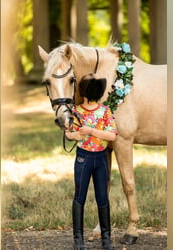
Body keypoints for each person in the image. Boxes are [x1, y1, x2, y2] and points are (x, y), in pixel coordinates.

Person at [65, 73, 117, 250]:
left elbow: (112, 135)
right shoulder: (76, 112)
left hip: (100, 158)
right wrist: (75, 134)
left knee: (102, 197)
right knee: (80, 196)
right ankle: (78, 240)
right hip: (83, 157)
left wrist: (90, 131)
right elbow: (68, 134)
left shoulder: (105, 111)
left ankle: (106, 238)